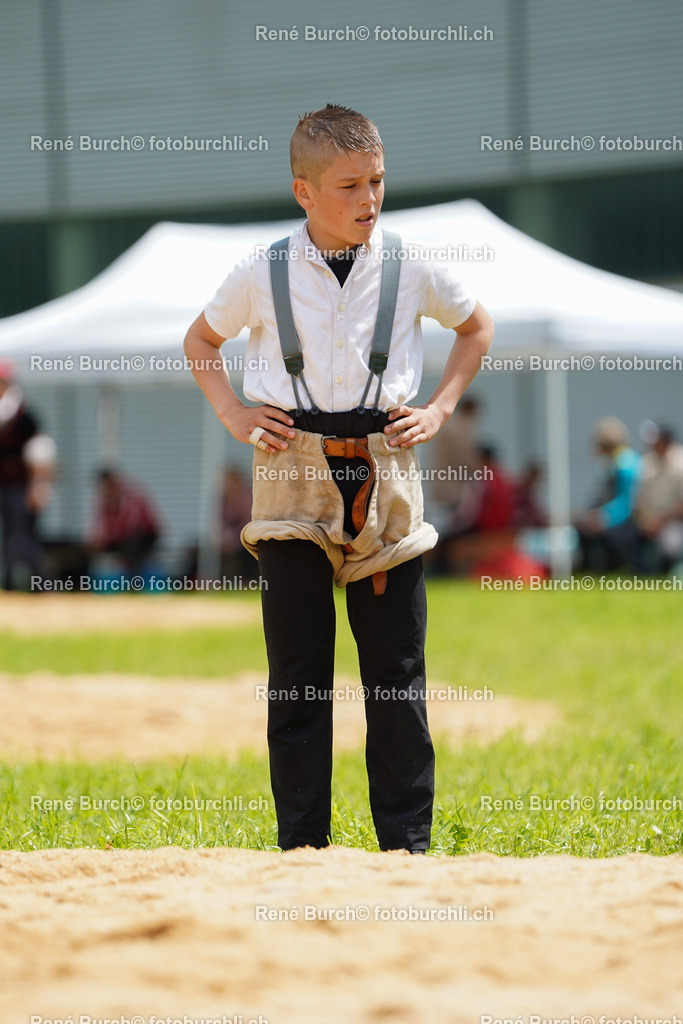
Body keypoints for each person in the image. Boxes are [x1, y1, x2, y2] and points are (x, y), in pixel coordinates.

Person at [184, 104, 494, 853]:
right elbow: (200, 340)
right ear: (304, 192)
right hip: (289, 474)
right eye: (350, 184)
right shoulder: (261, 270)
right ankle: (302, 848)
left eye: (377, 181)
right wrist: (230, 410)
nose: (369, 199)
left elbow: (475, 325)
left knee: (395, 675)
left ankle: (405, 848)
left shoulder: (411, 264)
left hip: (386, 472)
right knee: (298, 676)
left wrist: (441, 405)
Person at [0, 358, 55, 590]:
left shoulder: (24, 415)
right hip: (4, 484)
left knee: (21, 536)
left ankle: (36, 583)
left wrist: (39, 485)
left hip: (20, 485)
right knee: (9, 537)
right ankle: (15, 582)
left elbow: (40, 453)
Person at [576, 417, 641, 572]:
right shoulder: (608, 463)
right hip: (613, 517)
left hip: (629, 520)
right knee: (582, 531)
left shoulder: (626, 462)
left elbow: (627, 501)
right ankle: (590, 574)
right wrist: (590, 513)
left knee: (608, 538)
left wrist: (603, 517)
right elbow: (600, 496)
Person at [88, 467, 161, 575]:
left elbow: (132, 525)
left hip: (145, 535)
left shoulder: (128, 496)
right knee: (92, 551)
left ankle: (134, 581)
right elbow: (100, 524)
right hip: (121, 537)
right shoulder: (105, 502)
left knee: (131, 548)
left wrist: (107, 539)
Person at [633, 424, 683, 572]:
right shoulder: (646, 462)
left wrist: (660, 520)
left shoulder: (680, 461)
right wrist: (646, 520)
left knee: (672, 543)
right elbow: (639, 498)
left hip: (675, 522)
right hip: (649, 522)